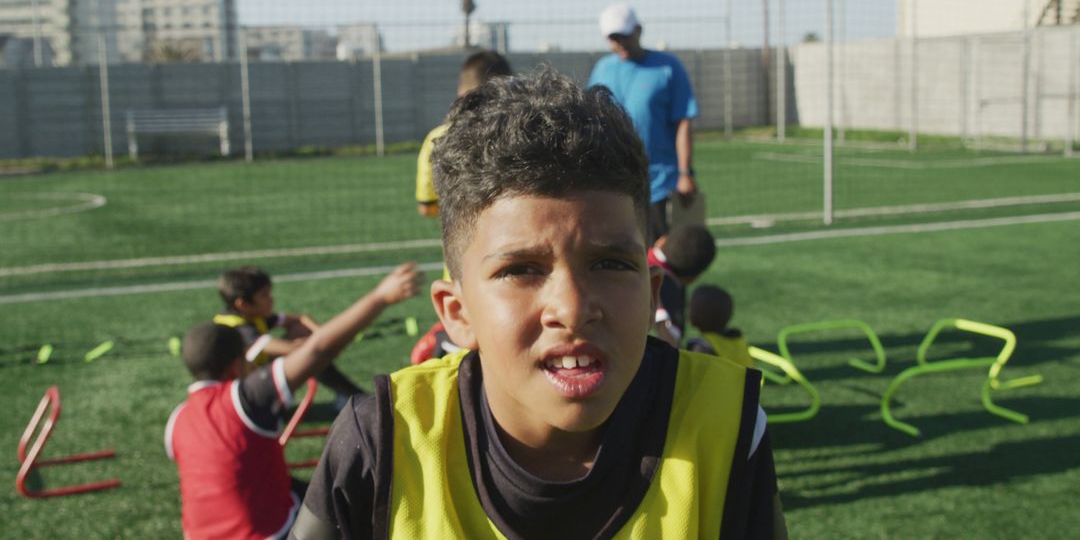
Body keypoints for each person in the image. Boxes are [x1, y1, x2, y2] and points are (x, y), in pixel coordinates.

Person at [291, 70, 785, 539]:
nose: (571, 308)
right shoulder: (382, 443)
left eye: (611, 265)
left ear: (652, 294)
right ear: (457, 314)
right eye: (520, 270)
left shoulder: (727, 425)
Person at [166, 263, 420, 540]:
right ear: (234, 368)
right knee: (356, 510)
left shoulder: (176, 420)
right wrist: (381, 297)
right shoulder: (244, 399)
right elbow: (318, 350)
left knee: (314, 492)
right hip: (268, 534)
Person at [411, 49, 513, 364]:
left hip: (463, 272)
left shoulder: (436, 140)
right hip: (518, 267)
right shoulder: (521, 135)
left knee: (466, 366)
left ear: (461, 92)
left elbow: (427, 207)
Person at [588, 3, 699, 243]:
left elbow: (683, 123)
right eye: (613, 38)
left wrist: (684, 173)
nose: (619, 44)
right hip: (615, 184)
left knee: (664, 260)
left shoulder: (668, 68)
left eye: (624, 36)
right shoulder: (601, 70)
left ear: (638, 30)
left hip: (660, 184)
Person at [214, 266, 363, 408]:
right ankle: (354, 396)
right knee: (310, 355)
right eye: (264, 295)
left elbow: (301, 319)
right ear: (243, 304)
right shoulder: (239, 329)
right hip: (245, 397)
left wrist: (320, 332)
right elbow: (293, 350)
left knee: (301, 332)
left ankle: (348, 394)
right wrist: (326, 342)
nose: (271, 299)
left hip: (255, 377)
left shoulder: (249, 315)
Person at [648, 223, 716, 347]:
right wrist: (662, 319)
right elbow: (671, 346)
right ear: (692, 279)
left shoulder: (638, 248)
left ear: (663, 240)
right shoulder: (667, 292)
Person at [686, 285, 754, 368]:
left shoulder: (702, 347)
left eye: (690, 306)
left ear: (697, 314)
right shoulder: (737, 339)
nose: (687, 309)